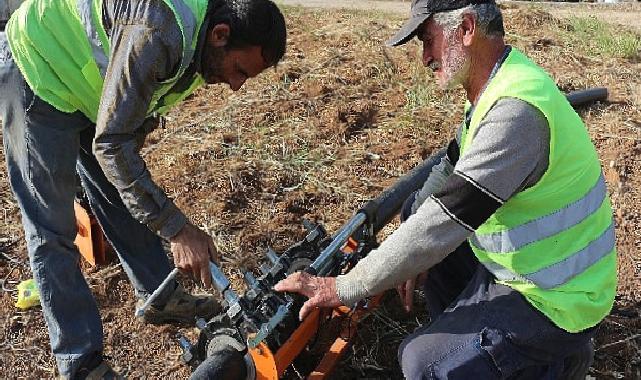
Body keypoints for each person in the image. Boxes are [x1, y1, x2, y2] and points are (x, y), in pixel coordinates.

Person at [274, 0, 617, 378]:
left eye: (428, 40)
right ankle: (490, 353)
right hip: (527, 269)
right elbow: (446, 171)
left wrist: (344, 286)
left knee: (422, 363)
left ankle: (552, 362)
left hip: (559, 299)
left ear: (466, 29)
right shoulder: (499, 84)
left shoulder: (515, 113)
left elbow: (443, 222)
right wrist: (406, 244)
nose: (424, 58)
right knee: (419, 234)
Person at [0, 0, 286, 378]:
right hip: (40, 67)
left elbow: (135, 111)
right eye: (240, 71)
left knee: (121, 190)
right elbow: (112, 143)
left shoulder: (206, 43)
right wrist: (177, 229)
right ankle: (81, 362)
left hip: (89, 85)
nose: (236, 86)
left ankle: (158, 295)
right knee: (51, 227)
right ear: (221, 36)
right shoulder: (157, 30)